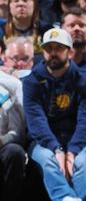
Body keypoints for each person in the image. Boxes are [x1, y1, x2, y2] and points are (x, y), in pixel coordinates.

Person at [24, 28, 86, 201]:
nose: (53, 53)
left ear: (70, 52)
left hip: (78, 139)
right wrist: (56, 148)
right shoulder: (31, 81)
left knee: (81, 164)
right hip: (43, 140)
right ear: (43, 52)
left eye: (58, 48)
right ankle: (67, 198)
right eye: (49, 48)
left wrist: (72, 150)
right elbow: (36, 121)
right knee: (50, 162)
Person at [0, 65, 24, 201]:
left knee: (14, 152)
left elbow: (17, 132)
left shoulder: (12, 85)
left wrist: (2, 141)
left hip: (3, 145)